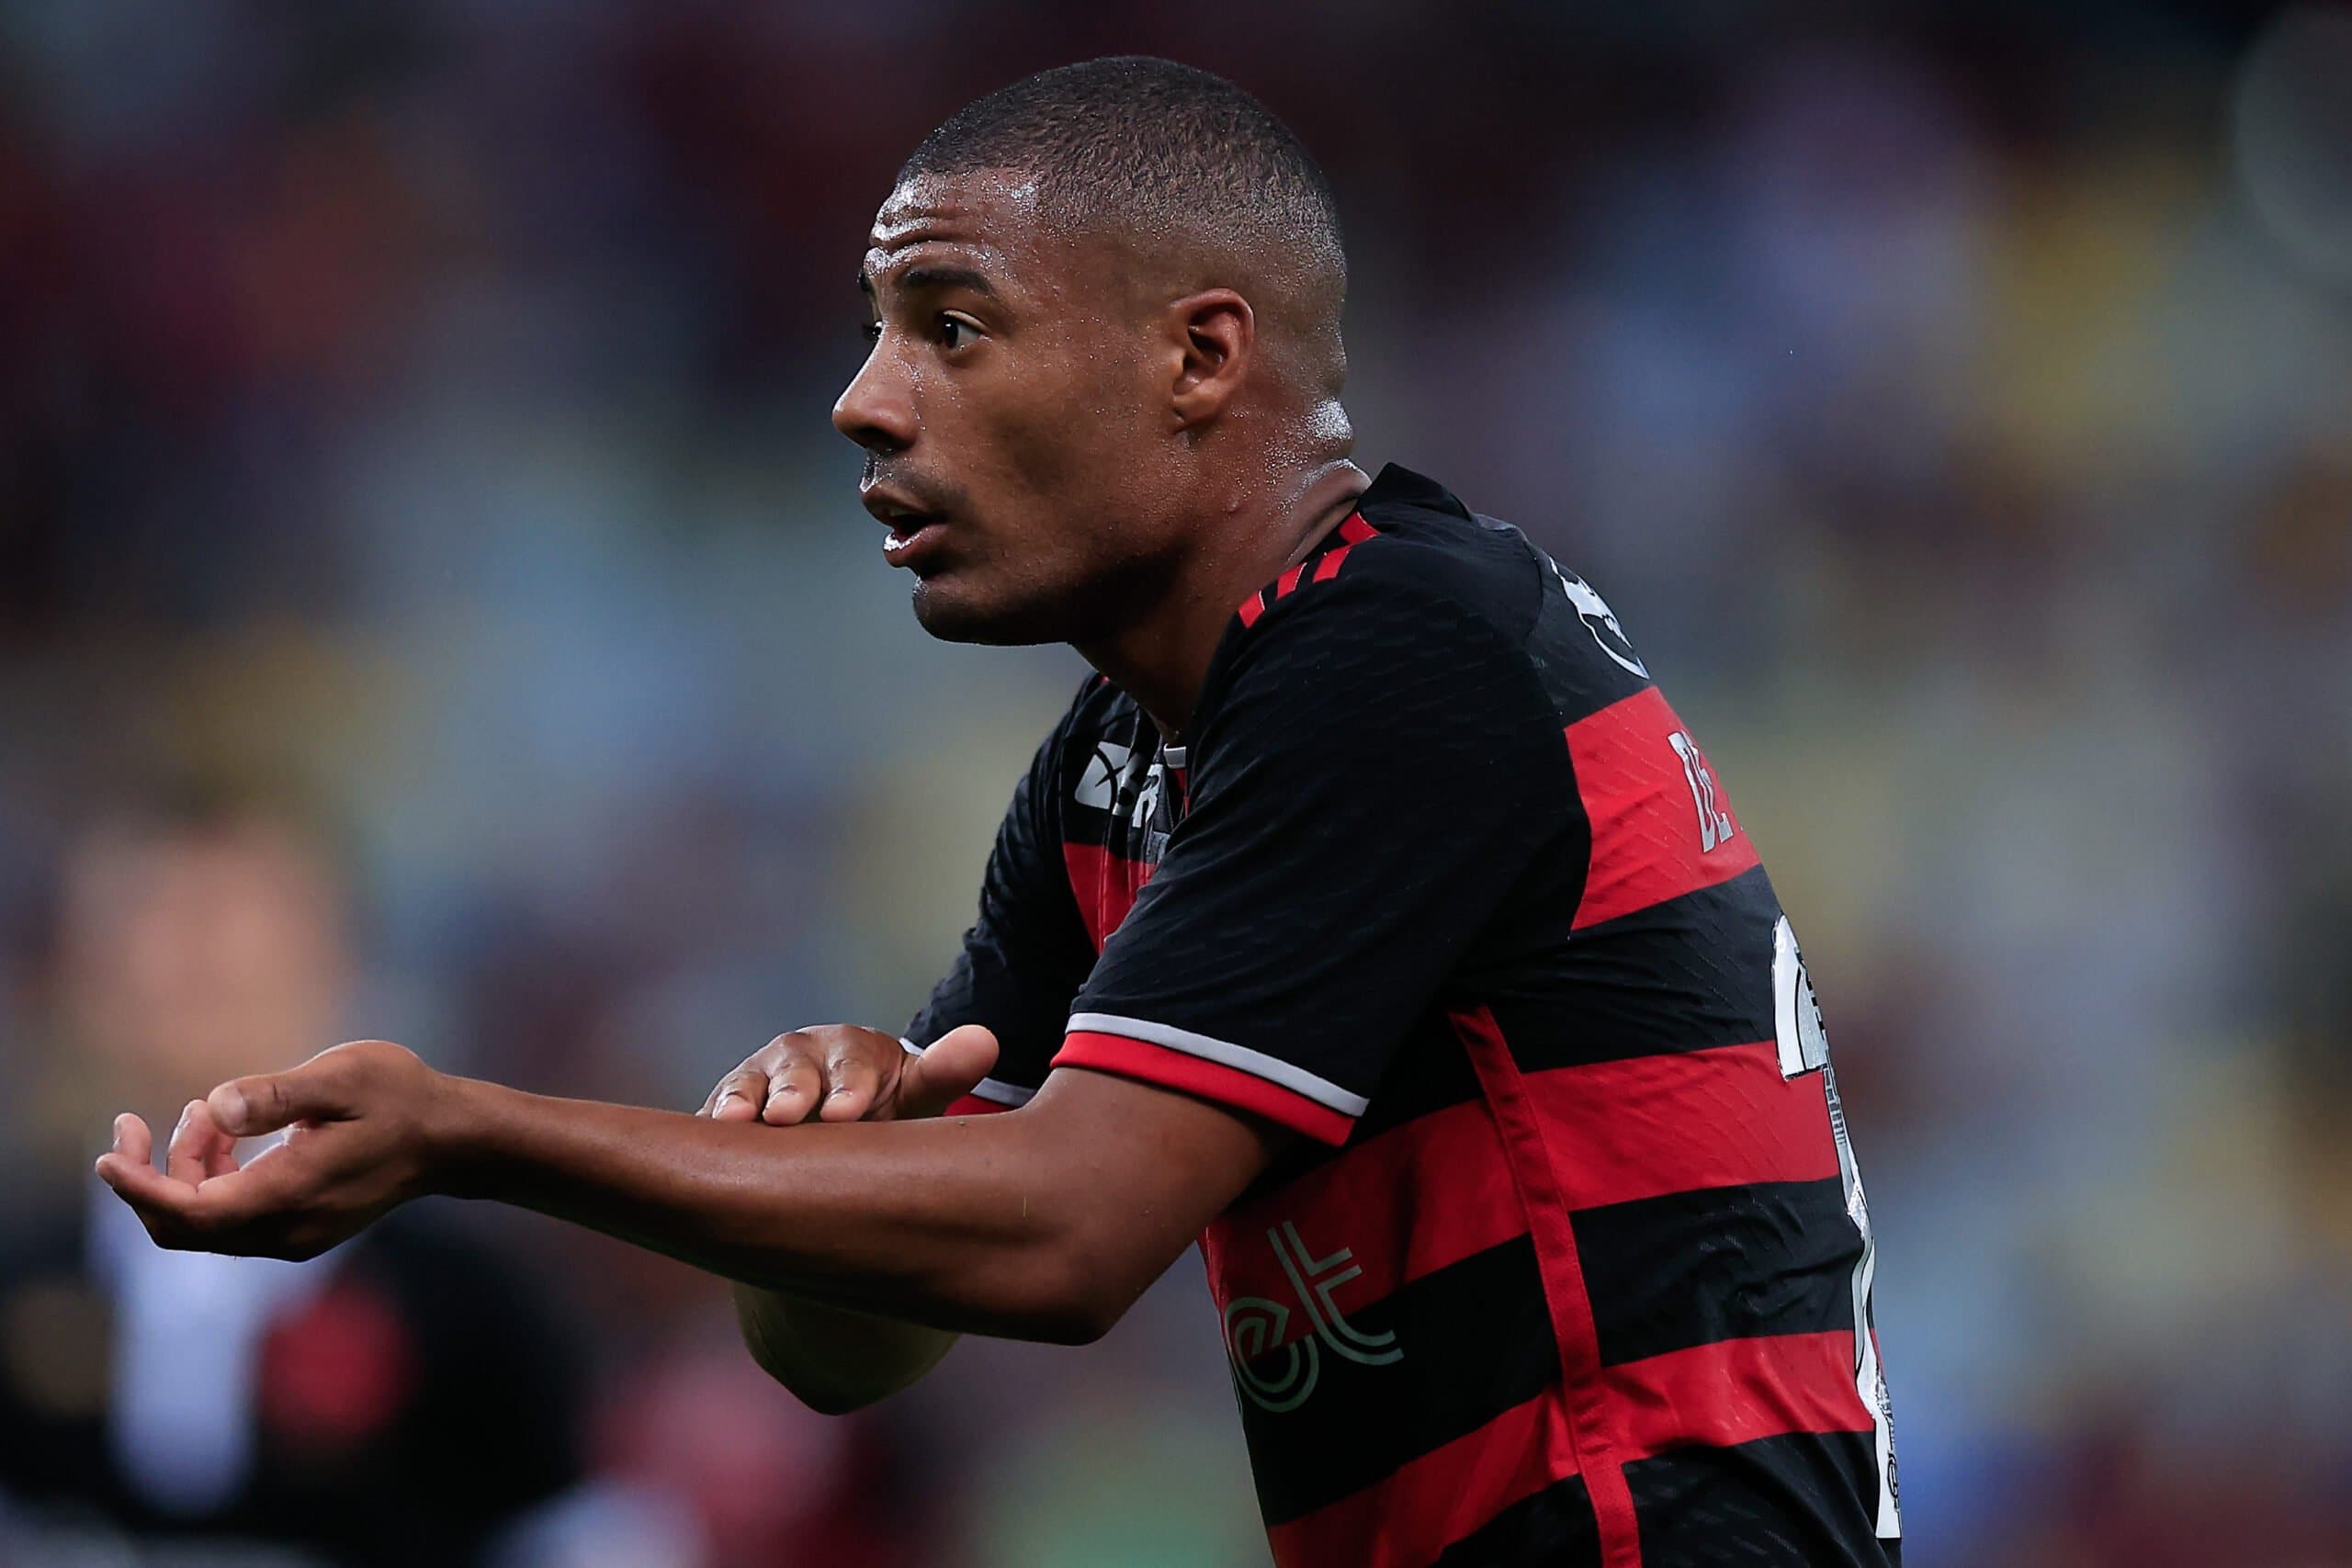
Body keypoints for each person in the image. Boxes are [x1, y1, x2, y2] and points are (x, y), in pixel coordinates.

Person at [96, 58, 1903, 1567]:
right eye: (876, 331)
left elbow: (1062, 1234)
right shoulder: (1129, 759)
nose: (861, 400)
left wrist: (462, 1131)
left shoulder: (1407, 659)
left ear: (1200, 357)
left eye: (948, 325)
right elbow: (855, 1347)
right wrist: (819, 1160)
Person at [6, 795, 582, 1565]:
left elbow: (569, 1533)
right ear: (76, 969)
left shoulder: (467, 1299)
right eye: (152, 913)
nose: (194, 951)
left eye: (235, 914)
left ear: (337, 957)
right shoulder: (16, 1273)